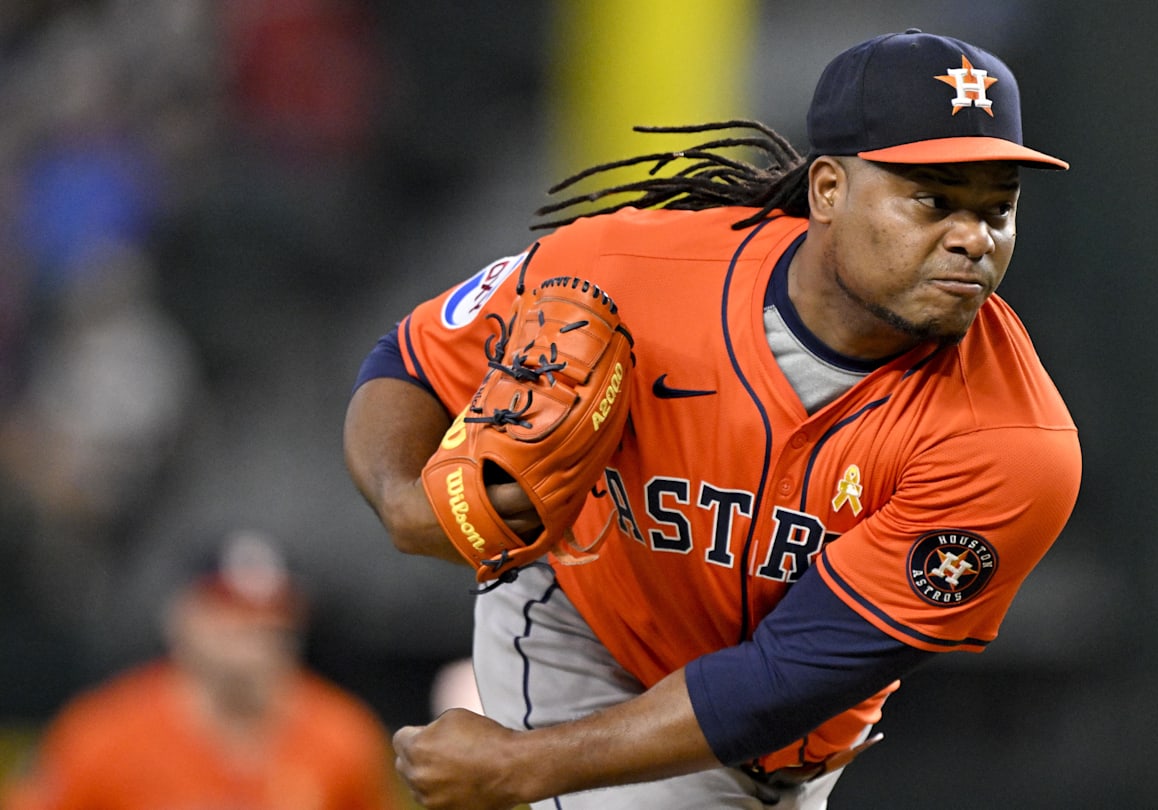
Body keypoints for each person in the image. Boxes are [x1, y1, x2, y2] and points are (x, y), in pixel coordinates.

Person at [344, 29, 1081, 810]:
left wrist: (523, 768)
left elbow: (786, 675)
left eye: (997, 208)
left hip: (777, 728)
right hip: (582, 636)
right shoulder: (629, 270)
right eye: (933, 201)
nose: (974, 239)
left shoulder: (1013, 445)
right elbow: (414, 356)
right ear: (828, 190)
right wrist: (401, 498)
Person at [1, 531, 404, 810]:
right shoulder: (103, 734)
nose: (252, 626)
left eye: (272, 610)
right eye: (226, 605)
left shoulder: (342, 734)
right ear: (181, 616)